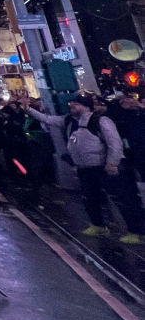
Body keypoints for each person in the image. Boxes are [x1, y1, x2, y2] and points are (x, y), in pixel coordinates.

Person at [29, 94, 145, 243]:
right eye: (71, 105)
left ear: (86, 106)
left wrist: (113, 162)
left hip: (104, 167)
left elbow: (114, 142)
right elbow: (47, 119)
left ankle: (136, 231)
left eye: (76, 104)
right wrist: (28, 109)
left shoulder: (101, 121)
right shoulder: (70, 121)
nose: (72, 107)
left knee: (121, 199)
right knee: (90, 199)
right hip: (85, 169)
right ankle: (98, 225)